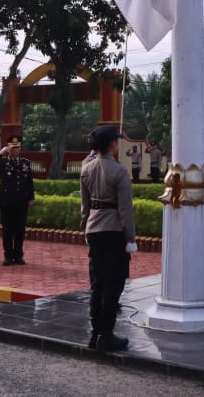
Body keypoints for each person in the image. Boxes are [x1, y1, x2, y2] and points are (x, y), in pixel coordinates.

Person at [80, 125, 136, 352]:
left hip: (93, 228)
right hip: (114, 231)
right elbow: (125, 210)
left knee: (97, 282)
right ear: (112, 145)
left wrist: (85, 228)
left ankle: (95, 332)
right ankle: (106, 333)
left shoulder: (86, 168)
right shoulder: (119, 171)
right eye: (116, 141)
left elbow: (84, 206)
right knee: (114, 284)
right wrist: (130, 238)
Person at [0, 135, 35, 265]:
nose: (15, 150)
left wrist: (31, 198)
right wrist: (1, 153)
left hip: (21, 201)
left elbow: (29, 182)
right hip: (6, 202)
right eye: (12, 148)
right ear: (8, 149)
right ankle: (8, 255)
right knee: (7, 230)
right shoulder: (3, 162)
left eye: (17, 148)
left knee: (20, 230)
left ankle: (19, 255)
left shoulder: (25, 163)